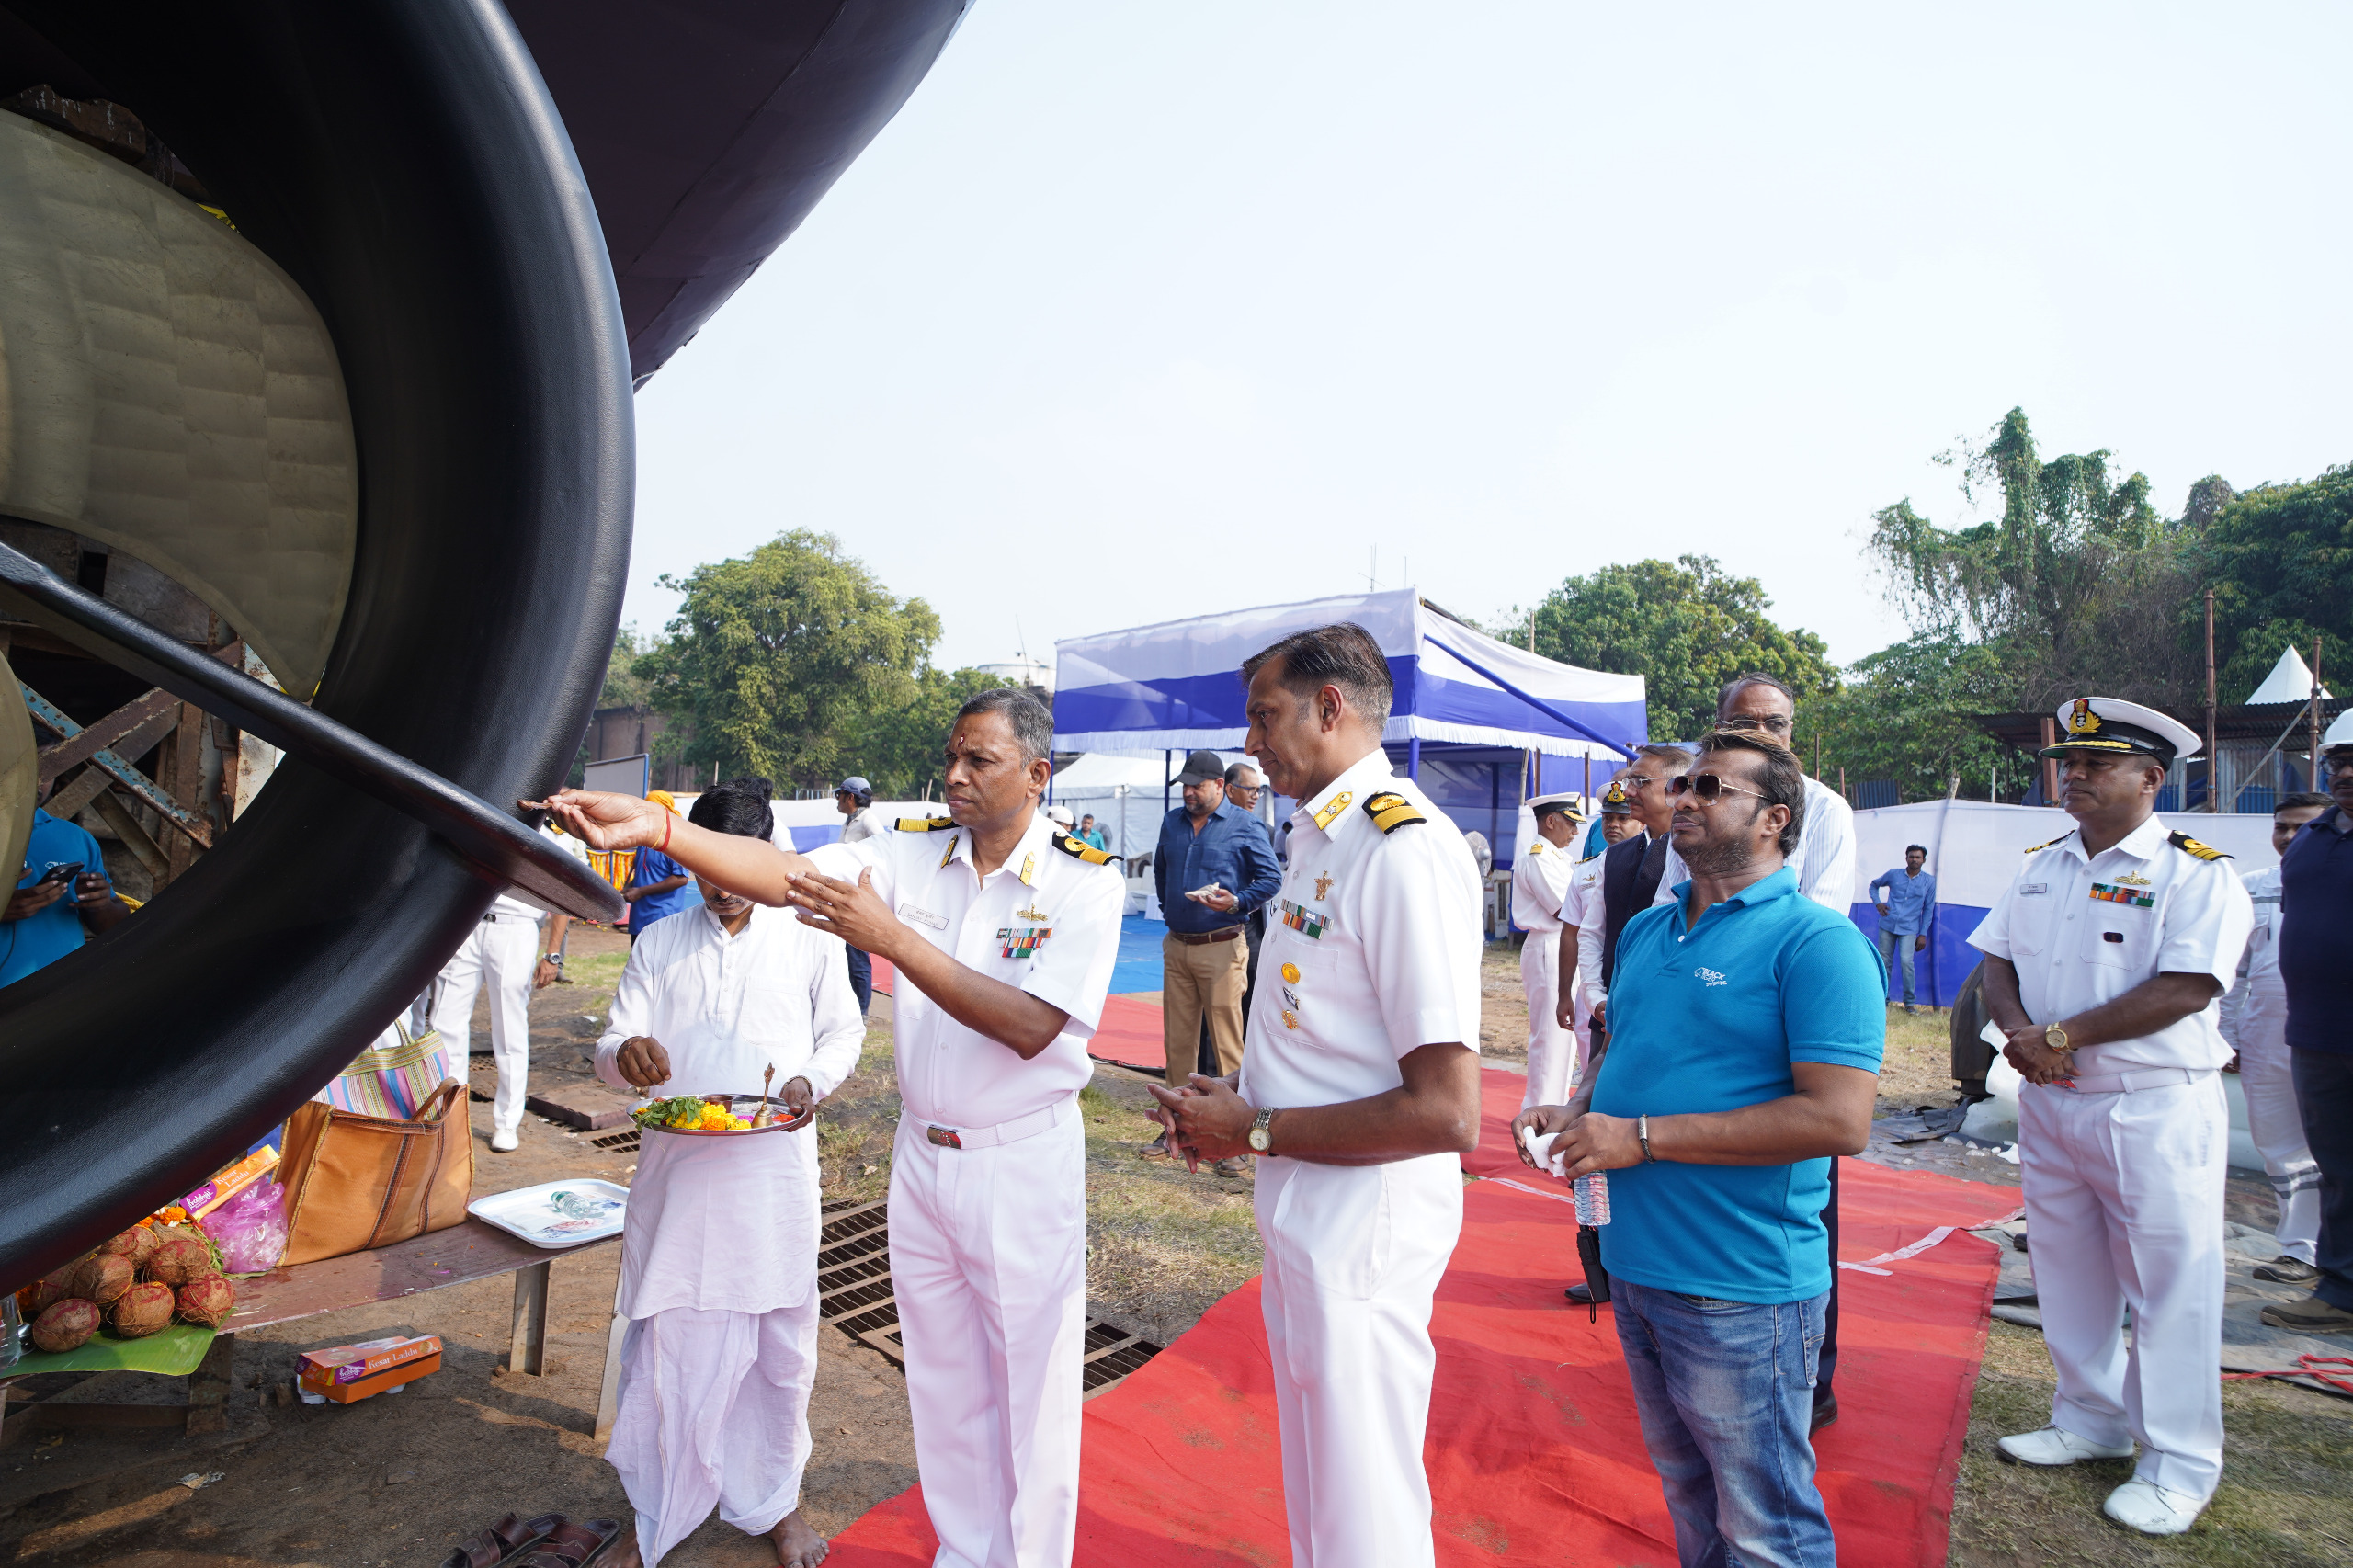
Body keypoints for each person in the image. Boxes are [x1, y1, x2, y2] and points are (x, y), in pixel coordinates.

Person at [537, 687, 1124, 1568]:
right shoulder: (912, 852)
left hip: (1019, 1162)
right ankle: (964, 1554)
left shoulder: (1085, 878)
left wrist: (892, 940)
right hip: (922, 1157)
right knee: (946, 1387)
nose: (955, 777)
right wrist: (658, 828)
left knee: (1031, 1398)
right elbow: (782, 874)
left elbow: (1031, 1025)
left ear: (1038, 776)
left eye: (980, 762)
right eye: (952, 757)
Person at [1151, 622, 1483, 1568]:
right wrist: (1234, 1103)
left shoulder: (1396, 847)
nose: (1249, 742)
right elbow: (1322, 1033)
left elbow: (1448, 1110)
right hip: (1303, 1187)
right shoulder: (1317, 835)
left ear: (1328, 708)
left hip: (1363, 1208)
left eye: (1263, 715)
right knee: (1319, 1477)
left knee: (1363, 1490)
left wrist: (1251, 1124)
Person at [1513, 730, 1882, 1568]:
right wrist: (1572, 1107)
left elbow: (1838, 1122)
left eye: (1711, 787)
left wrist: (1639, 1139)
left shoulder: (1818, 945)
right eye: (1682, 785)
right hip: (1638, 1264)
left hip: (1740, 1285)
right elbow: (1623, 1053)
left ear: (1774, 820)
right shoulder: (1648, 932)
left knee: (1763, 1519)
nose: (1683, 798)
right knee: (1685, 1486)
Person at [1972, 697, 2253, 1536]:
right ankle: (2089, 1420)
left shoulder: (2196, 872)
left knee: (2170, 1287)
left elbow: (2187, 987)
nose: (2077, 777)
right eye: (2072, 764)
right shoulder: (2042, 862)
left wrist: (2060, 1035)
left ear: (2151, 778)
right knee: (2068, 1269)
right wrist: (2026, 1040)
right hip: (2055, 1102)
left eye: (2098, 765)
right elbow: (1996, 962)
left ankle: (2178, 1464)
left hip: (2151, 1108)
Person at [594, 778, 864, 1568]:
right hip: (678, 1181)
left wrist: (810, 1081)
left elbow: (842, 1035)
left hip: (772, 1179)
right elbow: (616, 1042)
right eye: (707, 869)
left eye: (733, 869)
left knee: (779, 1347)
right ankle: (658, 1509)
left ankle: (773, 1504)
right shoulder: (658, 943)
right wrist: (623, 1057)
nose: (718, 888)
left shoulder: (811, 938)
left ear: (765, 857)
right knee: (670, 1339)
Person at [1149, 749, 1280, 1164]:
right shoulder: (1172, 822)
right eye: (1184, 786)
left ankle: (1234, 1141)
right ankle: (1173, 1130)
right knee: (1179, 1042)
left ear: (1220, 787)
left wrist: (1237, 902)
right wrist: (1172, 910)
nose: (1188, 792)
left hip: (1222, 947)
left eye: (1196, 786)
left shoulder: (1245, 825)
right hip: (1178, 945)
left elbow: (1271, 878)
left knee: (1227, 1044)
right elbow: (1161, 871)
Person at [2221, 791, 2329, 1285]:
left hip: (2335, 1036)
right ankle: (2301, 1250)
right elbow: (2231, 973)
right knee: (2280, 1144)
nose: (2288, 837)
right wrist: (2227, 1034)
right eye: (2281, 826)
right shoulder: (2252, 888)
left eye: (2302, 827)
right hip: (2268, 1035)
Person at [2269, 744, 2353, 1335]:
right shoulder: (2315, 835)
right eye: (2339, 764)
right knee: (2339, 1166)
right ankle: (2341, 1290)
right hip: (2318, 1033)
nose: (2347, 774)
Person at [1654, 674, 1856, 913]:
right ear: (1719, 730)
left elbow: (1820, 924)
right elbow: (1669, 909)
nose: (1761, 734)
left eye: (1775, 724)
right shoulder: (1692, 801)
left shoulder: (1825, 807)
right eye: (1743, 724)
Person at [433, 826, 578, 1153]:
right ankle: (449, 1116)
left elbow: (563, 900)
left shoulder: (549, 841)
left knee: (509, 1028)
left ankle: (507, 1121)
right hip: (468, 922)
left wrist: (552, 955)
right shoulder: (484, 823)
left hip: (515, 929)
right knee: (444, 1022)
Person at [3, 783, 129, 988]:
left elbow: (114, 926)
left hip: (65, 997)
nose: (37, 780)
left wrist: (101, 905)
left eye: (50, 766)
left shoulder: (75, 838)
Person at [1512, 793, 1586, 1108]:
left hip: (1564, 945)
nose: (1575, 832)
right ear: (1551, 821)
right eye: (1570, 823)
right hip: (1549, 945)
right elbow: (1565, 910)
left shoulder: (1556, 858)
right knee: (1549, 1037)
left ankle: (1553, 1108)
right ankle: (1539, 1113)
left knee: (1564, 1038)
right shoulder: (1539, 858)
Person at [1224, 761, 1274, 1029]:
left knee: (1252, 989)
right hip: (1218, 925)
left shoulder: (1265, 830)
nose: (1256, 796)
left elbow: (1272, 878)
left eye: (1259, 790)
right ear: (1230, 790)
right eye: (1250, 790)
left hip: (1252, 924)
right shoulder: (1209, 825)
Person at [1869, 845, 1937, 1014]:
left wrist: (1923, 934)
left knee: (1907, 962)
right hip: (1888, 924)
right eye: (1911, 856)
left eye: (1918, 857)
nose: (1914, 860)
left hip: (1909, 928)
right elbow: (1874, 885)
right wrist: (1878, 903)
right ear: (1906, 858)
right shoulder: (1894, 874)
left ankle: (1910, 1004)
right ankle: (1881, 999)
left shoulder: (1929, 881)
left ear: (1924, 860)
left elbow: (1928, 909)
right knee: (1884, 962)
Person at [624, 791, 694, 946]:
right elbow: (643, 872)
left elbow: (681, 879)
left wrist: (640, 891)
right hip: (639, 918)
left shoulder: (674, 840)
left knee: (660, 968)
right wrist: (627, 889)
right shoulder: (645, 838)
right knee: (638, 967)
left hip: (662, 918)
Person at [836, 776, 877, 1014]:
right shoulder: (850, 821)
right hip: (845, 895)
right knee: (846, 956)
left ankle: (861, 1012)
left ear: (850, 797)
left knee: (858, 956)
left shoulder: (867, 822)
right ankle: (852, 1008)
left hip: (857, 898)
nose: (838, 801)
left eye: (839, 796)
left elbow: (881, 846)